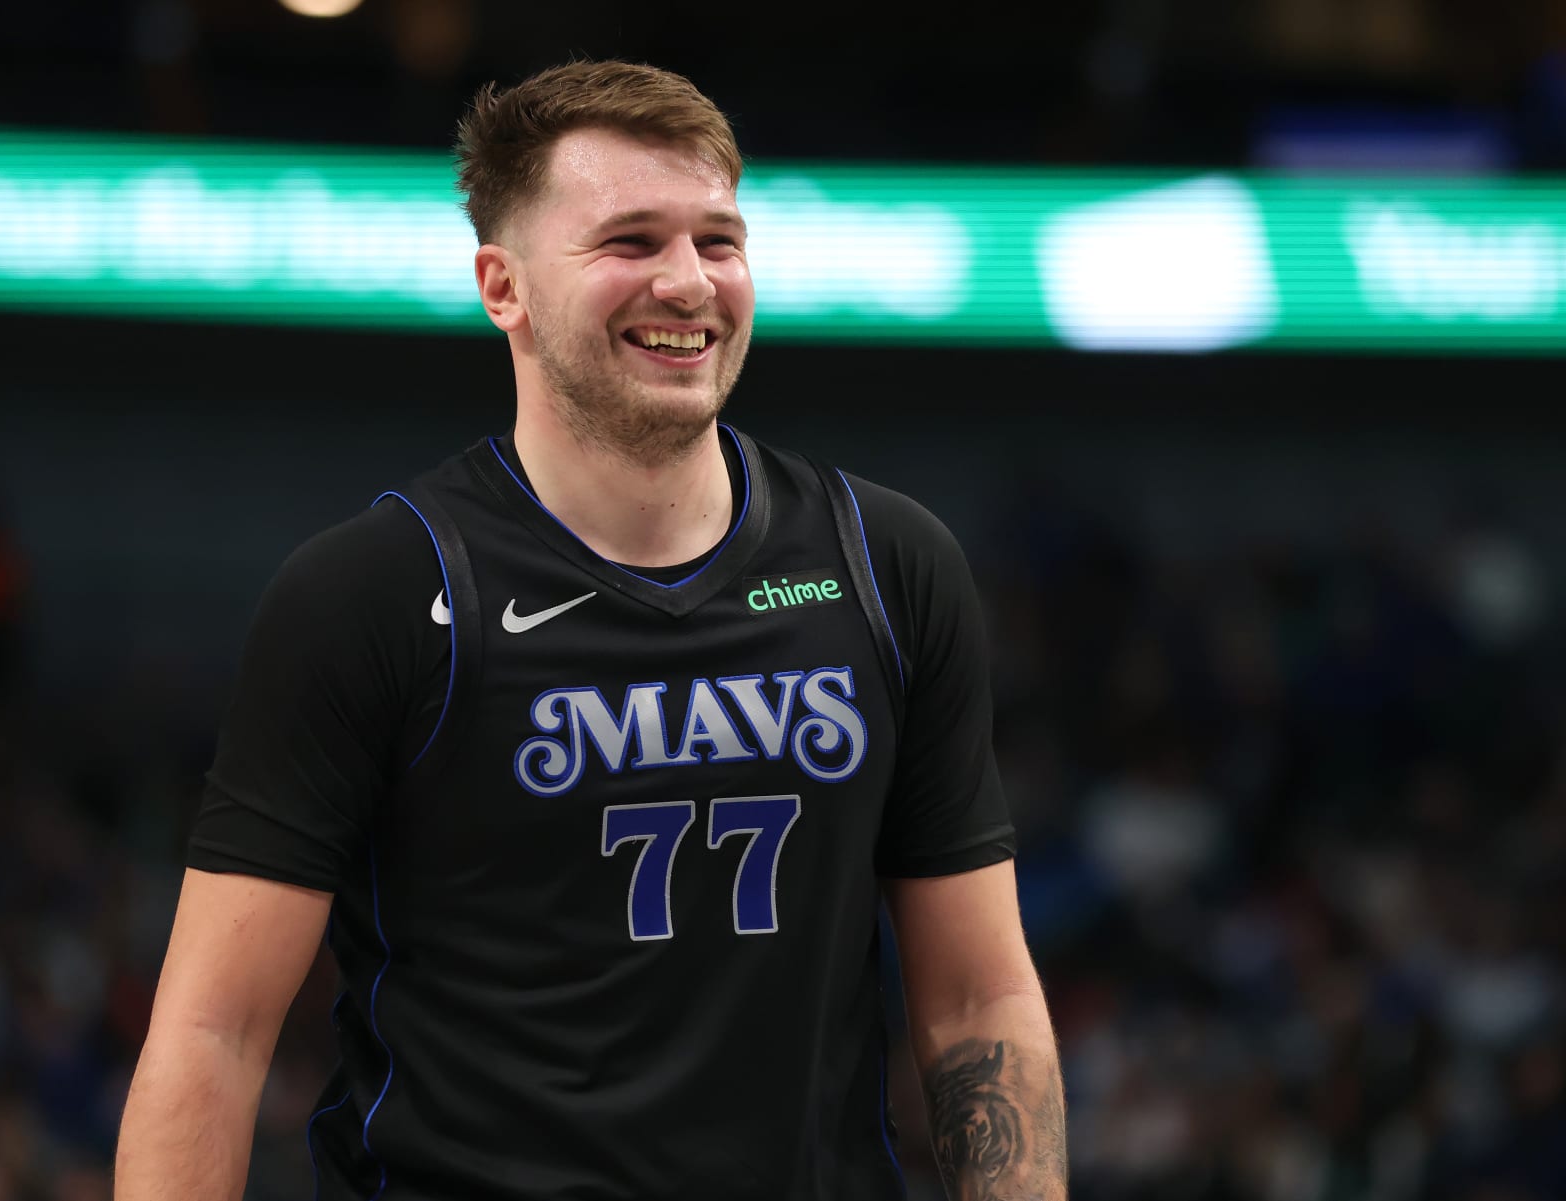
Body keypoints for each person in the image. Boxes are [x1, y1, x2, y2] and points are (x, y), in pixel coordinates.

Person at [114, 60, 1067, 1201]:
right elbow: (214, 1036)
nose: (688, 282)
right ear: (502, 287)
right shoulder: (371, 592)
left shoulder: (889, 565)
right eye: (631, 241)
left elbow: (977, 1004)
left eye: (719, 239)